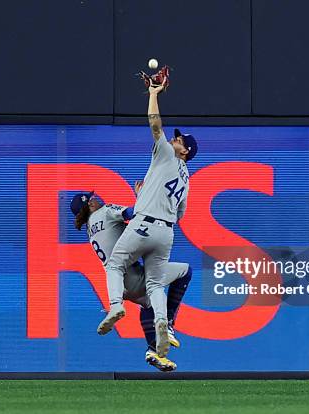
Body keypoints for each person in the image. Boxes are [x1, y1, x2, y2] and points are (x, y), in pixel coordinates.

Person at [97, 78, 198, 357]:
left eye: (179, 140)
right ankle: (162, 321)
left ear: (185, 151)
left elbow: (155, 124)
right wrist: (144, 197)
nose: (174, 139)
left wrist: (154, 94)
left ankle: (116, 305)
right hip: (166, 233)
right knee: (154, 284)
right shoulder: (187, 179)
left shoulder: (167, 152)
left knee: (115, 264)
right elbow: (180, 214)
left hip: (143, 224)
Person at [70, 191, 192, 371]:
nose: (97, 199)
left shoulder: (90, 227)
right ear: (90, 205)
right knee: (185, 271)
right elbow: (133, 213)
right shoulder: (105, 211)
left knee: (148, 304)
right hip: (133, 276)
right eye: (92, 199)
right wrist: (142, 195)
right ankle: (170, 324)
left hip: (120, 284)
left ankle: (153, 351)